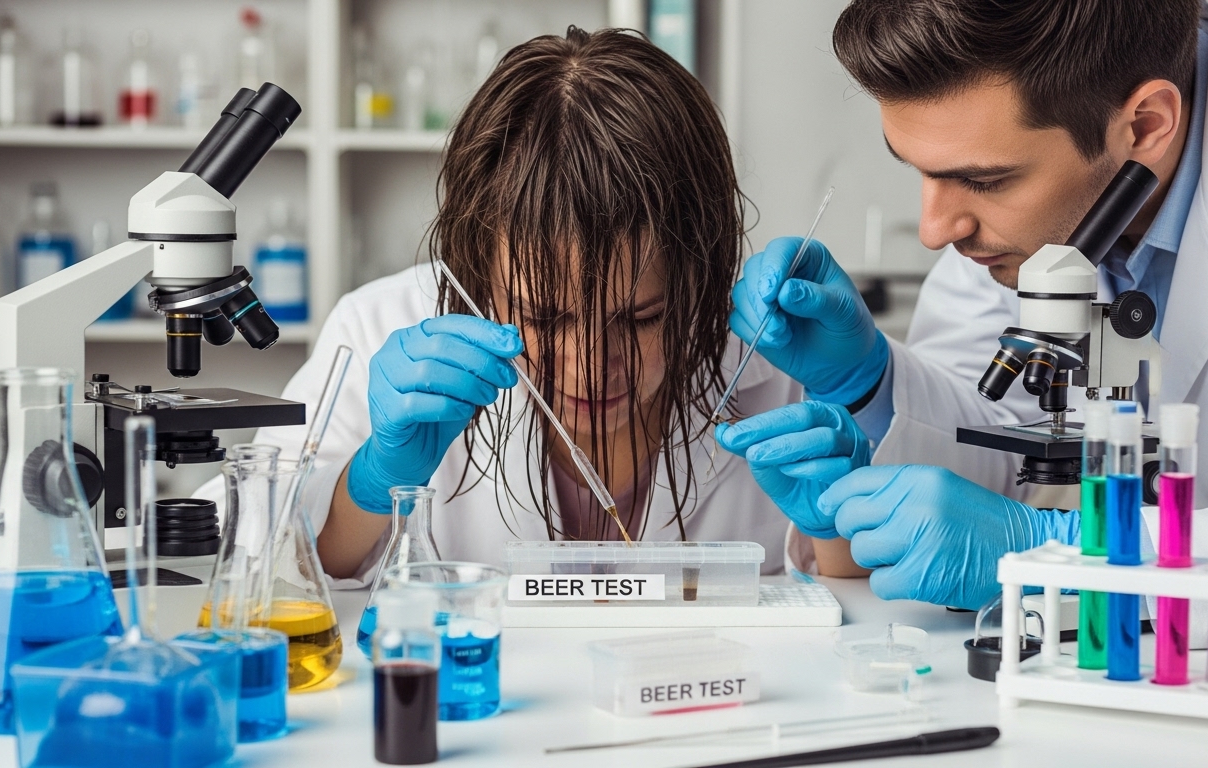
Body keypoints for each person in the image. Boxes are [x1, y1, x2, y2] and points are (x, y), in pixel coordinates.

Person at [717, 0, 1208, 609]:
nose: (936, 229)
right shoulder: (1023, 220)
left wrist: (1074, 552)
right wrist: (869, 386)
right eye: (921, 171)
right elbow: (985, 466)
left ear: (1145, 125)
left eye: (983, 180)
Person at [195, 27, 799, 584]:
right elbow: (232, 554)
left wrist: (848, 409)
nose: (590, 367)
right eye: (542, 317)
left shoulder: (778, 356)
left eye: (641, 317)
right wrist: (371, 483)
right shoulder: (377, 324)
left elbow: (842, 588)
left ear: (701, 271)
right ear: (477, 267)